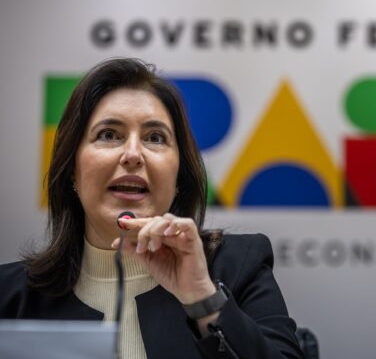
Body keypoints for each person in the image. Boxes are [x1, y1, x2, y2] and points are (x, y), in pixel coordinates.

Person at [0, 58, 304, 359]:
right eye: (109, 135)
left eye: (155, 138)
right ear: (71, 170)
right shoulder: (9, 294)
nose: (133, 154)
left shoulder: (239, 266)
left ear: (179, 177)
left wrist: (202, 298)